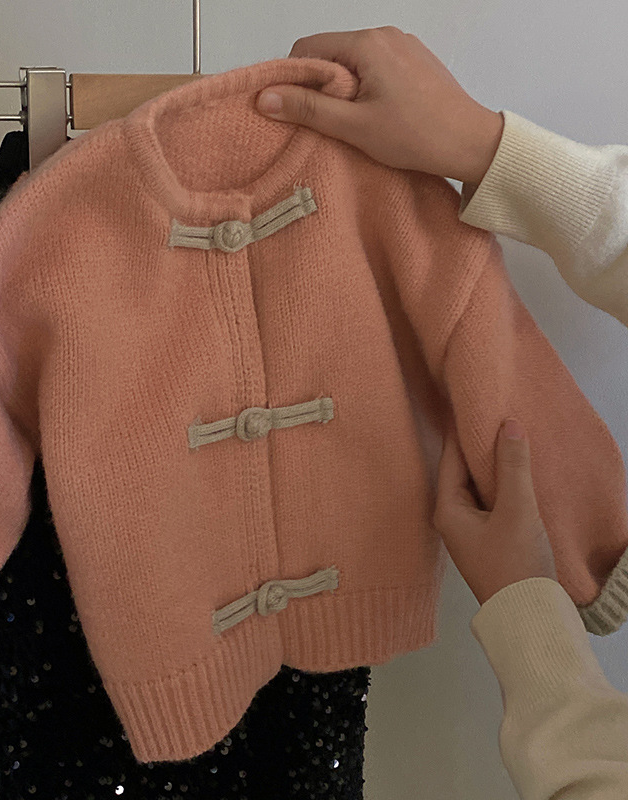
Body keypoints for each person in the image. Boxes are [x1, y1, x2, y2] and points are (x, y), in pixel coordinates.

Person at [254, 26, 628, 799]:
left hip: (316, 644)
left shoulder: (383, 196)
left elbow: (484, 338)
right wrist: (479, 144)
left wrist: (545, 588)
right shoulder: (63, 212)